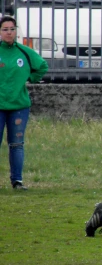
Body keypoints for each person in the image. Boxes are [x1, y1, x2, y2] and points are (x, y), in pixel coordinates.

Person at [0, 15, 48, 190]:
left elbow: (42, 66)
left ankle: (17, 181)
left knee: (17, 144)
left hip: (19, 107)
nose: (9, 33)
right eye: (5, 29)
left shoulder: (24, 52)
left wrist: (31, 78)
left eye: (12, 29)